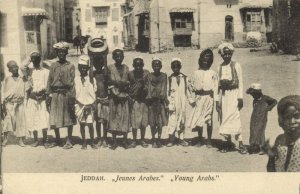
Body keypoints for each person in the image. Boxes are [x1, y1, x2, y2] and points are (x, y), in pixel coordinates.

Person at [216, 42, 247, 154]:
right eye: (225, 54)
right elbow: (217, 86)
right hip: (224, 96)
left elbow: (241, 82)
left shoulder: (236, 65)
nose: (227, 56)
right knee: (224, 118)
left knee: (235, 117)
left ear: (231, 54)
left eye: (229, 54)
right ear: (221, 55)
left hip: (234, 94)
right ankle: (226, 142)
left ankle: (240, 143)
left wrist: (240, 98)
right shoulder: (219, 67)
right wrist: (216, 100)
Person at [46, 42, 76, 149]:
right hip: (55, 94)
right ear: (57, 53)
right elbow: (49, 81)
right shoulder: (53, 66)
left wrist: (72, 98)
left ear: (66, 53)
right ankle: (58, 139)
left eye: (63, 52)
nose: (61, 54)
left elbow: (72, 83)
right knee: (54, 117)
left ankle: (69, 140)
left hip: (66, 94)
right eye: (59, 52)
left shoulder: (71, 66)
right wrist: (47, 96)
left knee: (68, 116)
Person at [187, 49, 218, 148]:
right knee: (199, 118)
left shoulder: (213, 73)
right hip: (199, 98)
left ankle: (209, 140)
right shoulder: (196, 73)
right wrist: (191, 99)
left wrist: (216, 100)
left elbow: (216, 88)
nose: (206, 63)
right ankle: (200, 139)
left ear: (211, 62)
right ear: (200, 60)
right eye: (204, 61)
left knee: (209, 119)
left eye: (208, 61)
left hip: (209, 98)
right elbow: (189, 87)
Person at [23, 51, 51, 148]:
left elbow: (48, 85)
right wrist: (30, 57)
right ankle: (35, 140)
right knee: (33, 118)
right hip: (32, 98)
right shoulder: (29, 71)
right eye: (33, 59)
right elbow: (22, 67)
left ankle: (45, 140)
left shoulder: (45, 71)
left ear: (40, 60)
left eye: (37, 59)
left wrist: (46, 97)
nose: (35, 61)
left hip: (42, 98)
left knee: (44, 119)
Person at [266, 95, 300, 172]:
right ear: (281, 120)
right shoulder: (279, 140)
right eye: (287, 117)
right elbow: (271, 168)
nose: (292, 121)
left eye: (297, 116)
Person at [88, 38, 110, 148]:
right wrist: (91, 60)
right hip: (96, 99)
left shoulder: (105, 73)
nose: (98, 64)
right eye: (96, 63)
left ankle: (105, 138)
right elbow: (90, 77)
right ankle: (99, 137)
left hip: (104, 98)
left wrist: (105, 58)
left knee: (105, 120)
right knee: (97, 121)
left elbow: (106, 75)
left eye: (100, 62)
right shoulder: (94, 73)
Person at [107, 49, 131, 150]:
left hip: (124, 97)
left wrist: (124, 86)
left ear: (123, 57)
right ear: (113, 57)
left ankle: (125, 141)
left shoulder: (126, 68)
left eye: (120, 56)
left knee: (125, 118)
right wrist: (116, 86)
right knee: (114, 118)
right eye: (116, 56)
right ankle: (114, 141)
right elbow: (108, 81)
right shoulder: (110, 68)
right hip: (114, 97)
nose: (118, 58)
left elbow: (128, 82)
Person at [2, 61, 29, 147]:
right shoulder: (7, 79)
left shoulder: (22, 79)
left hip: (19, 103)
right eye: (11, 68)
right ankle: (5, 139)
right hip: (9, 103)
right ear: (9, 70)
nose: (14, 69)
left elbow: (27, 88)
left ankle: (20, 140)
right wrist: (2, 103)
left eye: (15, 67)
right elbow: (3, 92)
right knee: (7, 121)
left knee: (20, 121)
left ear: (17, 67)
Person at [246, 83, 277, 154]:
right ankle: (254, 147)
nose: (252, 96)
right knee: (253, 131)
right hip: (254, 118)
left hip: (262, 118)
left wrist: (269, 108)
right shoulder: (255, 100)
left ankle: (262, 147)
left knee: (260, 132)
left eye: (254, 94)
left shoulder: (266, 98)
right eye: (252, 94)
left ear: (258, 93)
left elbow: (275, 101)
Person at [75, 55, 97, 150]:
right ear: (79, 68)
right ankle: (84, 142)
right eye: (81, 68)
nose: (83, 69)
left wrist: (90, 104)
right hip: (80, 105)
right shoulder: (76, 80)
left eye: (85, 68)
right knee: (82, 124)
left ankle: (92, 141)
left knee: (90, 124)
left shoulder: (92, 79)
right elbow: (75, 93)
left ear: (88, 68)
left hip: (90, 105)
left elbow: (94, 92)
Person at [166, 58, 190, 147]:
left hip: (182, 102)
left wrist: (191, 100)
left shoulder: (185, 78)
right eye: (174, 67)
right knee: (172, 120)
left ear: (180, 67)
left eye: (177, 67)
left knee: (182, 120)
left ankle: (181, 139)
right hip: (173, 102)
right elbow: (167, 91)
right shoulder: (170, 78)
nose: (175, 69)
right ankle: (171, 139)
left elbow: (188, 90)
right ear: (171, 67)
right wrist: (168, 102)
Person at [146, 57, 168, 148]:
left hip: (160, 102)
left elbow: (164, 88)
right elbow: (148, 89)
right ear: (152, 66)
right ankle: (153, 138)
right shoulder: (149, 76)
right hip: (152, 102)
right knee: (152, 122)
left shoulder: (164, 76)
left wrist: (163, 98)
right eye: (154, 66)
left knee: (159, 122)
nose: (156, 67)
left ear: (161, 66)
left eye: (158, 66)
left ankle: (158, 138)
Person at [128, 57, 149, 148]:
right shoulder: (130, 74)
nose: (138, 68)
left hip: (144, 101)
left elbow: (148, 86)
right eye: (136, 66)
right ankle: (134, 140)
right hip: (134, 100)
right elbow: (128, 87)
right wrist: (131, 98)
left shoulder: (146, 74)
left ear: (143, 65)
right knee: (134, 122)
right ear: (133, 66)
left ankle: (143, 139)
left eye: (140, 65)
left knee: (143, 122)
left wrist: (143, 87)